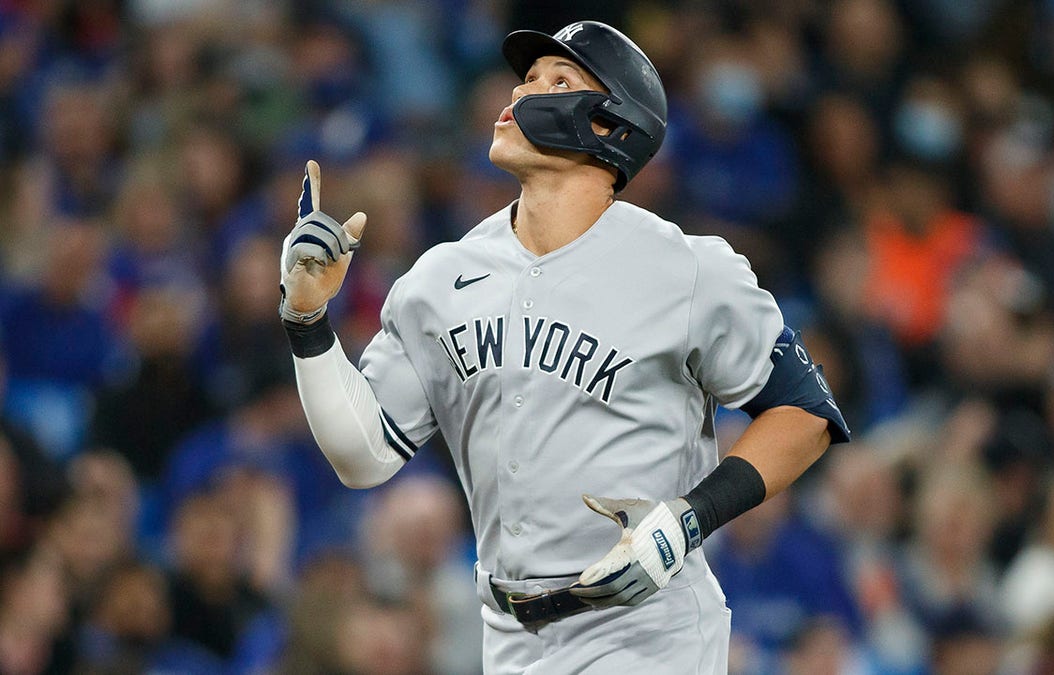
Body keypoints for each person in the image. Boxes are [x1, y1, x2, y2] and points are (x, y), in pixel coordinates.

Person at [276, 20, 849, 673]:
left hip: (648, 634)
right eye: (525, 79)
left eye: (557, 82)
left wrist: (691, 517)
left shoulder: (688, 270)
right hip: (507, 635)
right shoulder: (441, 278)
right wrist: (307, 317)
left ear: (609, 126)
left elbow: (806, 411)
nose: (522, 93)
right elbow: (362, 455)